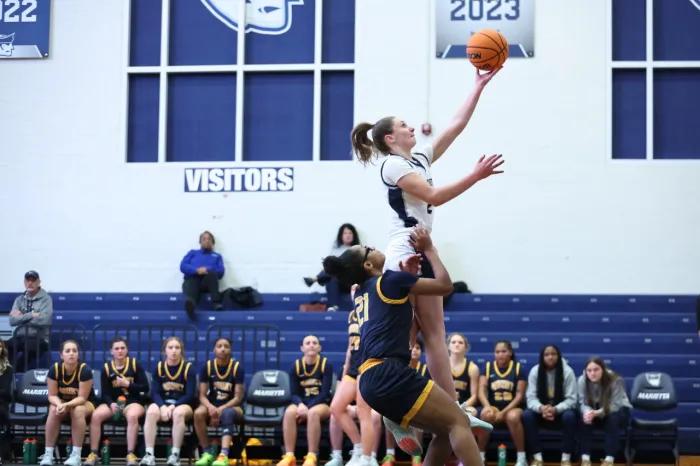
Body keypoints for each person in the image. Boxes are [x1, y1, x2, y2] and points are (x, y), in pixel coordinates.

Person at [349, 67, 503, 441]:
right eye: (404, 124)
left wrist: (478, 85)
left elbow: (455, 125)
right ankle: (452, 415)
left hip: (413, 245)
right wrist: (475, 176)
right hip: (407, 249)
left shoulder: (417, 157)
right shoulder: (392, 164)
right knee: (434, 336)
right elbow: (434, 197)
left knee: (414, 336)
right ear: (390, 137)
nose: (412, 127)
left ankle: (396, 415)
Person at [322, 226, 490, 466]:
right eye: (368, 249)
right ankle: (397, 419)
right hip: (388, 372)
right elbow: (445, 286)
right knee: (459, 421)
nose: (374, 247)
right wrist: (429, 250)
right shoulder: (389, 280)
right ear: (368, 265)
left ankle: (396, 419)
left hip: (369, 380)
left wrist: (409, 278)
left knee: (445, 431)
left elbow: (401, 322)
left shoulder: (360, 293)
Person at [85, 337, 149, 466]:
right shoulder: (107, 369)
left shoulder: (135, 365)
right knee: (96, 416)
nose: (120, 351)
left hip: (132, 402)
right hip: (113, 403)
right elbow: (105, 393)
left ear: (127, 350)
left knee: (132, 416)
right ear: (111, 352)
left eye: (122, 348)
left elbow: (145, 387)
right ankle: (93, 453)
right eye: (117, 348)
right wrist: (110, 404)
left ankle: (130, 454)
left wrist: (128, 385)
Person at [325, 305, 376, 466]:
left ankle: (367, 458)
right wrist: (346, 370)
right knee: (336, 408)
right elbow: (350, 344)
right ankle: (359, 447)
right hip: (353, 367)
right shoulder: (352, 314)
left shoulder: (375, 308)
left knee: (364, 412)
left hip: (368, 365)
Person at [277, 335, 333, 466]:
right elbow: (294, 393)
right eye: (308, 343)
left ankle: (312, 456)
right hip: (303, 404)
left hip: (321, 403)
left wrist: (307, 408)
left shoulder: (326, 364)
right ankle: (289, 456)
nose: (311, 345)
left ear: (319, 347)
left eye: (314, 343)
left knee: (313, 413)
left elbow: (324, 392)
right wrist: (301, 405)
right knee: (290, 412)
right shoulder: (295, 366)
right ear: (302, 348)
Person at [140, 337, 197, 466]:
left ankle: (175, 455)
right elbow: (155, 392)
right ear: (164, 351)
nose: (174, 351)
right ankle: (149, 455)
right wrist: (162, 407)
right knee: (150, 412)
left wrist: (172, 406)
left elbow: (189, 395)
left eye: (177, 348)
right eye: (170, 348)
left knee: (178, 413)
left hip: (183, 404)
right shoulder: (159, 368)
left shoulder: (189, 369)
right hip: (164, 403)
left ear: (181, 351)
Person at [40, 340, 95, 466]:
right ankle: (48, 454)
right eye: (68, 351)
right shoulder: (55, 369)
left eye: (74, 351)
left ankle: (76, 455)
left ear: (78, 354)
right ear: (61, 355)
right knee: (53, 409)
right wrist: (60, 404)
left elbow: (82, 398)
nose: (71, 354)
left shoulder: (84, 370)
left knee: (78, 410)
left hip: (86, 404)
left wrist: (66, 405)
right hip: (64, 403)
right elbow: (52, 395)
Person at [522, 344, 578, 466]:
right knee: (527, 415)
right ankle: (537, 457)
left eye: (553, 354)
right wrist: (541, 408)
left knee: (570, 416)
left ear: (558, 356)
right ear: (542, 357)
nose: (550, 357)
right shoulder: (535, 371)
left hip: (560, 412)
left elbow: (572, 399)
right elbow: (530, 398)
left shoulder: (567, 372)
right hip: (541, 412)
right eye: (547, 355)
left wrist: (556, 409)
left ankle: (566, 458)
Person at [194, 338, 245, 466]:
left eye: (226, 346)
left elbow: (238, 398)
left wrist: (220, 409)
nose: (223, 349)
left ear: (230, 350)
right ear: (214, 349)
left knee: (227, 413)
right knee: (198, 413)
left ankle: (223, 455)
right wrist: (211, 408)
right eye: (219, 346)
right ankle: (206, 453)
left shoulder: (237, 368)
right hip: (212, 404)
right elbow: (202, 396)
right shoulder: (207, 367)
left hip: (233, 406)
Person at [477, 341, 527, 466]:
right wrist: (488, 407)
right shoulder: (487, 367)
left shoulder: (518, 368)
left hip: (513, 407)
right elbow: (481, 392)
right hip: (494, 406)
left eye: (503, 351)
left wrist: (503, 412)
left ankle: (521, 457)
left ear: (510, 353)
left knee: (512, 417)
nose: (500, 354)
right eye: (497, 352)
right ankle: (480, 455)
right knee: (485, 415)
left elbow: (519, 396)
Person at [578, 357, 632, 466]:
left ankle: (609, 459)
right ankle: (585, 458)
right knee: (583, 419)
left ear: (603, 369)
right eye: (589, 370)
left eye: (596, 370)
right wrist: (588, 413)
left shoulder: (615, 379)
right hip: (595, 408)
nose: (592, 373)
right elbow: (582, 402)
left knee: (613, 419)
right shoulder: (582, 380)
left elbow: (615, 405)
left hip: (617, 409)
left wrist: (597, 413)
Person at [304, 223, 361, 311]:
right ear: (341, 235)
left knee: (335, 268)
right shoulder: (335, 250)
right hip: (338, 279)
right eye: (345, 233)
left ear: (354, 235)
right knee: (332, 275)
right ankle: (333, 307)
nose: (348, 236)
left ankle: (315, 278)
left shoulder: (358, 249)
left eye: (350, 233)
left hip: (350, 281)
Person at [7, 270, 53, 371]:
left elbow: (43, 320)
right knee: (5, 347)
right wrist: (31, 315)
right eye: (28, 280)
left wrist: (22, 316)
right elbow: (12, 321)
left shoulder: (46, 299)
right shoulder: (19, 300)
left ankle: (16, 371)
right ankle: (7, 373)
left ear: (39, 282)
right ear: (24, 282)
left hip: (39, 338)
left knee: (30, 347)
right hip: (20, 336)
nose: (30, 283)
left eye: (33, 280)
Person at [180, 231, 226, 318]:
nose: (206, 241)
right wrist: (197, 270)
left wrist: (206, 269)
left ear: (212, 242)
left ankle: (216, 303)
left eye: (209, 239)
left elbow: (221, 272)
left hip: (206, 284)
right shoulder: (192, 253)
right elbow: (183, 266)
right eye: (204, 239)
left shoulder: (217, 256)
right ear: (200, 242)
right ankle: (191, 305)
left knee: (211, 274)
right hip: (191, 283)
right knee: (194, 276)